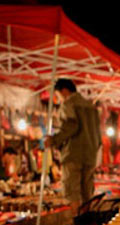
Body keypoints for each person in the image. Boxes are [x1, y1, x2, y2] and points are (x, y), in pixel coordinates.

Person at [45, 79, 100, 215]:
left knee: (72, 191)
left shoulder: (69, 103)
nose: (58, 98)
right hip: (90, 154)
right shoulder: (91, 107)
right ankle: (88, 224)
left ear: (64, 91)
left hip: (74, 153)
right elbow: (98, 133)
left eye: (57, 95)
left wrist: (54, 140)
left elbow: (71, 125)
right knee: (87, 191)